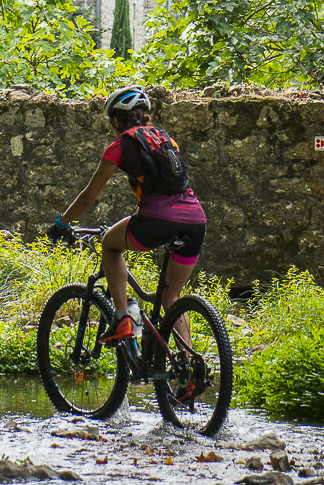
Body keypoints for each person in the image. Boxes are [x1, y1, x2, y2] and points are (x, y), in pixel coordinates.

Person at [49, 86, 207, 346]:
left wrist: (61, 223)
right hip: (195, 219)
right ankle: (189, 365)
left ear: (115, 119)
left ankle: (123, 317)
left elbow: (89, 196)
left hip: (158, 219)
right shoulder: (167, 138)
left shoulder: (121, 145)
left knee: (110, 245)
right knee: (172, 298)